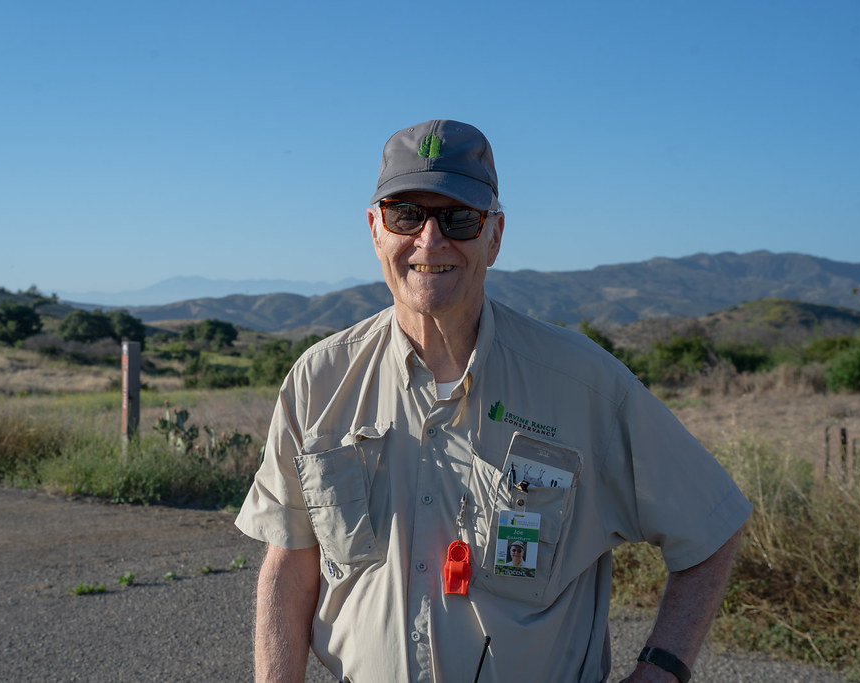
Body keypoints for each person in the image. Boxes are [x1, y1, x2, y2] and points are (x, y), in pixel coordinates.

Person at [235, 119, 751, 682]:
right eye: (406, 214)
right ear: (375, 229)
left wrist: (663, 668)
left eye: (459, 218)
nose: (430, 241)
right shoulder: (319, 379)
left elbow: (712, 526)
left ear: (495, 236)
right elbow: (290, 562)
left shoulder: (584, 384)